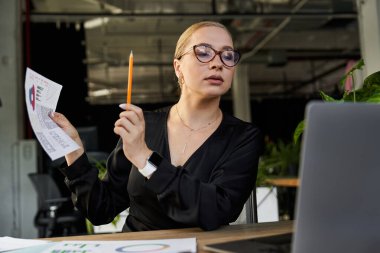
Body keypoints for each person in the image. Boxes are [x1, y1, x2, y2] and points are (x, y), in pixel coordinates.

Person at [51, 21, 263, 232]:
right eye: (204, 52)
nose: (218, 64)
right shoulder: (145, 125)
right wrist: (74, 153)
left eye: (227, 56)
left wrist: (146, 159)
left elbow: (217, 209)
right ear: (178, 67)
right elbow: (100, 209)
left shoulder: (243, 137)